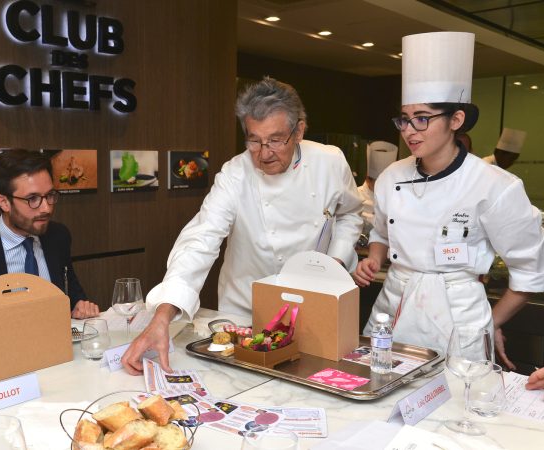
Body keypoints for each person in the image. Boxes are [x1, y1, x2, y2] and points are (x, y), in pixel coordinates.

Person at [122, 77, 364, 374]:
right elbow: (201, 240)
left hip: (310, 306)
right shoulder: (236, 174)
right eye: (253, 140)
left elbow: (352, 214)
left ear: (299, 130)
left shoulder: (330, 162)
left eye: (275, 140)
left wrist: (335, 261)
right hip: (243, 312)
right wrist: (162, 315)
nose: (264, 153)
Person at [353, 32, 544, 368]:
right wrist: (373, 258)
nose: (409, 130)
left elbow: (534, 269)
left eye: (423, 118)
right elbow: (382, 234)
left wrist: (491, 322)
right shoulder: (391, 178)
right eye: (404, 119)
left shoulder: (494, 185)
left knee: (455, 408)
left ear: (455, 121)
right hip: (394, 309)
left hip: (460, 319)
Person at [0, 149, 99, 319]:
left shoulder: (58, 236)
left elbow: (72, 294)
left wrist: (80, 306)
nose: (46, 208)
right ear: (4, 202)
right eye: (33, 199)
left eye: (50, 195)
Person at [358, 141, 398, 237]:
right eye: (381, 182)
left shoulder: (397, 198)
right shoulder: (355, 194)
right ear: (368, 179)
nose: (386, 185)